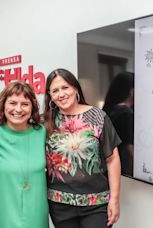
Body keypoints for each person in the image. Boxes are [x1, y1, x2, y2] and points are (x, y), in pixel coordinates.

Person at [43, 68, 121, 228]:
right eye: (55, 91)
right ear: (50, 96)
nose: (61, 94)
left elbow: (112, 159)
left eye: (65, 87)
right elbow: (14, 122)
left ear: (75, 88)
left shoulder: (98, 117)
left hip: (97, 204)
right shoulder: (46, 121)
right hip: (59, 205)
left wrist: (114, 198)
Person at [0, 80, 49, 228]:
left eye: (25, 104)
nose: (18, 109)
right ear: (3, 105)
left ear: (32, 108)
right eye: (12, 103)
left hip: (35, 216)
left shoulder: (41, 132)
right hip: (0, 217)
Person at [102, 72, 135, 176]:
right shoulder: (126, 113)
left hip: (106, 168)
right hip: (122, 170)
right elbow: (129, 150)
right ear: (131, 91)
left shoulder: (107, 110)